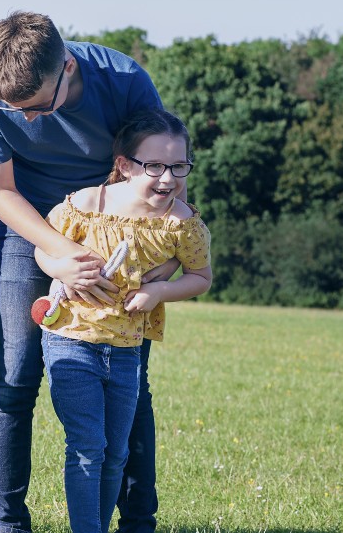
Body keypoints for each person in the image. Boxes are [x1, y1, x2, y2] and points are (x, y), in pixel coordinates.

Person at [0, 11, 171, 533]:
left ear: (69, 69)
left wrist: (159, 262)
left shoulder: (125, 83)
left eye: (37, 108)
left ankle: (138, 521)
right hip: (29, 226)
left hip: (117, 233)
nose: (27, 120)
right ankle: (6, 523)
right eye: (14, 110)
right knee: (14, 377)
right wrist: (61, 254)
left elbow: (164, 177)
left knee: (126, 379)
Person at [34, 109, 212, 533]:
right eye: (154, 166)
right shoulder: (84, 205)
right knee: (87, 446)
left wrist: (160, 291)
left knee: (115, 452)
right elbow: (44, 249)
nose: (167, 178)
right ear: (124, 166)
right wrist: (60, 270)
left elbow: (201, 277)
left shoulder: (181, 224)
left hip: (127, 352)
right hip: (70, 341)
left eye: (178, 166)